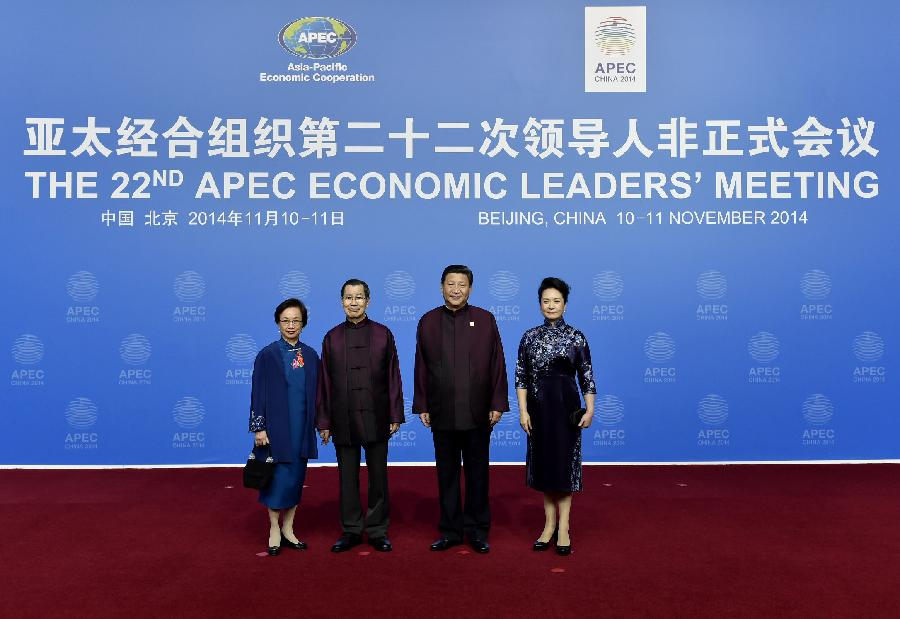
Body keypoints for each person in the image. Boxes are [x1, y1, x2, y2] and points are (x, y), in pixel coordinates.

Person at [414, 264, 508, 554]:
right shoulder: (428, 321)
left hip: (478, 411)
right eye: (451, 284)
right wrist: (422, 403)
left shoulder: (485, 319)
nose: (456, 290)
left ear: (470, 288)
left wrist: (497, 403)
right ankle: (450, 531)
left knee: (478, 474)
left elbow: (497, 363)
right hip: (441, 411)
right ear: (441, 286)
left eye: (462, 284)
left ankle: (477, 530)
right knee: (447, 474)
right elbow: (421, 366)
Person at [316, 278, 405, 553]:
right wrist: (324, 421)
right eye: (348, 298)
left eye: (358, 297)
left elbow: (393, 377)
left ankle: (378, 530)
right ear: (341, 301)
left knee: (379, 476)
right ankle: (351, 529)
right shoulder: (331, 337)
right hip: (342, 417)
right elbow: (324, 382)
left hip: (377, 415)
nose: (353, 303)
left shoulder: (383, 334)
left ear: (368, 301)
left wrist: (395, 413)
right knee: (347, 478)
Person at [516, 277, 596, 556]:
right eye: (546, 301)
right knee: (545, 467)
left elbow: (587, 376)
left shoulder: (576, 337)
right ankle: (548, 525)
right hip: (538, 410)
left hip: (566, 410)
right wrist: (523, 410)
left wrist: (590, 409)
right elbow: (521, 377)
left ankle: (564, 528)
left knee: (564, 468)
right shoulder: (529, 337)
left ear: (565, 304)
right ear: (540, 304)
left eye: (556, 301)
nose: (551, 305)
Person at [249, 298, 320, 556]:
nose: (291, 325)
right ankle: (274, 529)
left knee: (295, 479)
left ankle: (289, 528)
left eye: (296, 321)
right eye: (285, 320)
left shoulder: (311, 355)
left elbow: (319, 394)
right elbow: (257, 393)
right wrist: (259, 428)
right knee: (276, 480)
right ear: (278, 323)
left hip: (302, 428)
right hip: (276, 429)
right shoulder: (267, 355)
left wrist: (322, 424)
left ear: (303, 324)